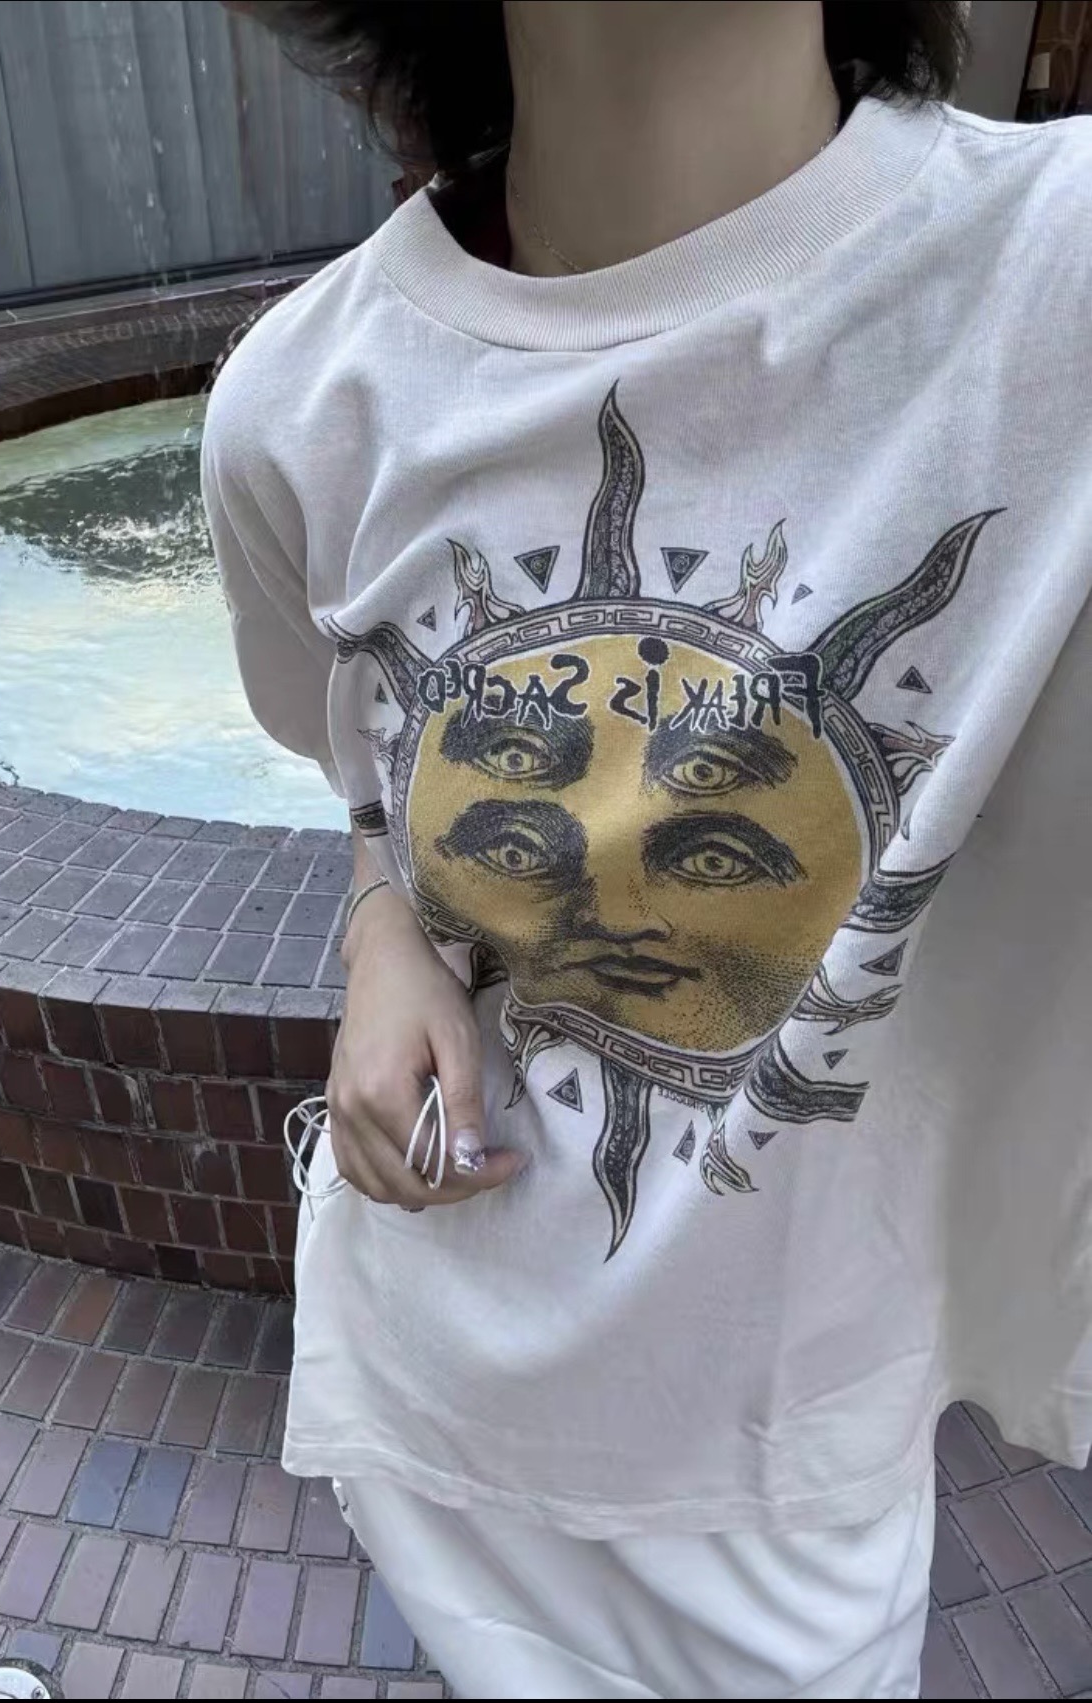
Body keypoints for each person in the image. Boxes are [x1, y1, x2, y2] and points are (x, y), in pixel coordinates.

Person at [202, 3, 1092, 1696]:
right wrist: (382, 934)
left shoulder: (1056, 272)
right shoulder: (298, 402)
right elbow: (367, 790)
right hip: (433, 1371)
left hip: (788, 1489)